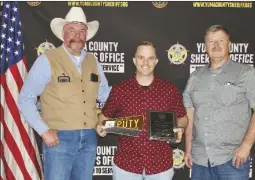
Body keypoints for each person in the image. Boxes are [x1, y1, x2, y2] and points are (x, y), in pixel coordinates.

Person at [18, 7, 111, 180]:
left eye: (82, 31)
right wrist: (44, 131)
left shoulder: (94, 61)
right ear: (63, 33)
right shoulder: (47, 60)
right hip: (60, 138)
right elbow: (25, 98)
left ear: (87, 35)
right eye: (72, 30)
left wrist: (134, 94)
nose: (77, 35)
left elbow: (106, 95)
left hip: (89, 137)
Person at [183, 25, 255, 180]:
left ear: (229, 44)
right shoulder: (195, 77)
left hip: (231, 160)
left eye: (220, 41)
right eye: (211, 41)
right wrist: (188, 149)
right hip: (200, 159)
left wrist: (246, 146)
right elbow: (190, 113)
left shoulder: (245, 73)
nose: (216, 45)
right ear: (205, 47)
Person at [95, 41, 188, 180]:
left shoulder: (170, 90)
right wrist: (100, 127)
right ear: (134, 60)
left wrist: (180, 128)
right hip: (126, 166)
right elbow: (103, 117)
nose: (145, 62)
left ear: (156, 61)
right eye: (141, 57)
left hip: (160, 166)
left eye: (150, 58)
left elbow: (183, 118)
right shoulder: (120, 89)